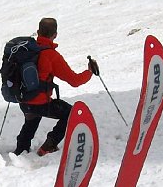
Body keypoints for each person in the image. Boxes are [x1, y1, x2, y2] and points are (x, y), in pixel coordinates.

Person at [14, 17, 99, 156]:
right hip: (40, 102)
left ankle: (21, 149)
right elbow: (75, 81)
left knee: (32, 118)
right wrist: (89, 71)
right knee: (70, 114)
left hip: (23, 99)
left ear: (38, 32)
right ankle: (49, 146)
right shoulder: (51, 55)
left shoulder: (26, 51)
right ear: (55, 35)